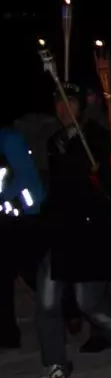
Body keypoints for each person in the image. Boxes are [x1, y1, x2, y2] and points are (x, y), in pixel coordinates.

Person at [26, 86, 111, 378]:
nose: (63, 108)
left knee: (88, 302)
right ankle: (54, 362)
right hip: (58, 232)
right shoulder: (55, 140)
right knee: (46, 301)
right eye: (58, 102)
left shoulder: (94, 137)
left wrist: (98, 174)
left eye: (70, 102)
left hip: (87, 232)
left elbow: (109, 186)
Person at [1, 127, 45, 348]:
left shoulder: (9, 140)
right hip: (5, 219)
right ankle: (7, 332)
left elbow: (26, 176)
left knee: (31, 272)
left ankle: (68, 309)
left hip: (22, 219)